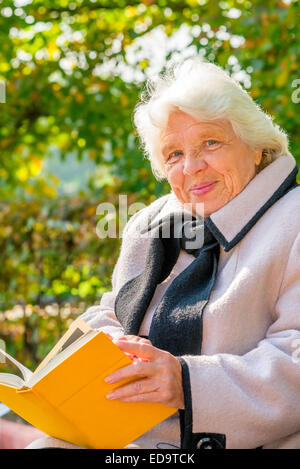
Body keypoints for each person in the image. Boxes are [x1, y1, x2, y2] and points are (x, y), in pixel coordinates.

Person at [28, 57, 300, 449]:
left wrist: (187, 383)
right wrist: (104, 348)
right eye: (173, 154)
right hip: (129, 433)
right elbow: (114, 310)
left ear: (257, 147)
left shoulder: (293, 221)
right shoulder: (151, 223)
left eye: (211, 142)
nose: (192, 167)